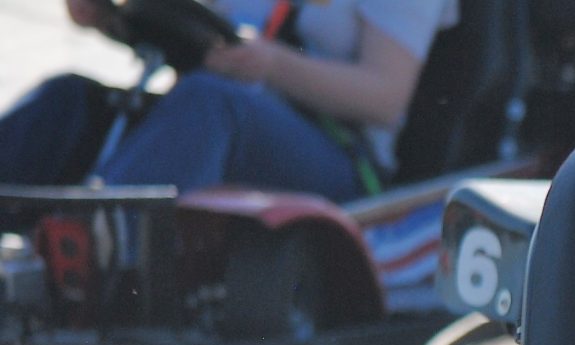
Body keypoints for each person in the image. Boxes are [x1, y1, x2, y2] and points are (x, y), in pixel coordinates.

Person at [0, 0, 457, 200]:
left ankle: (98, 252)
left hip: (338, 154)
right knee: (67, 97)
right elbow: (196, 33)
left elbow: (385, 97)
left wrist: (272, 65)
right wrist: (110, 19)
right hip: (219, 112)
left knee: (209, 103)